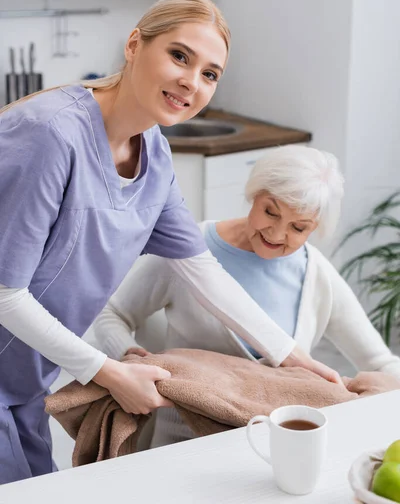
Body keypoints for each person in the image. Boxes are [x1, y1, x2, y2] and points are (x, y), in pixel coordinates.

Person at [0, 0, 338, 484]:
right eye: (179, 56)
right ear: (135, 44)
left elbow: (199, 268)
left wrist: (290, 356)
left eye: (209, 73)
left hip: (24, 382)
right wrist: (109, 371)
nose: (191, 82)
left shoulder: (153, 154)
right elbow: (5, 293)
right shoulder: (50, 134)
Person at [93, 144, 400, 448]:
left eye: (298, 227)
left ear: (314, 227)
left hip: (273, 444)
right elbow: (112, 314)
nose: (277, 234)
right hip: (181, 438)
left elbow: (379, 361)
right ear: (254, 194)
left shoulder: (316, 274)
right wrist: (130, 359)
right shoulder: (190, 251)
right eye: (271, 212)